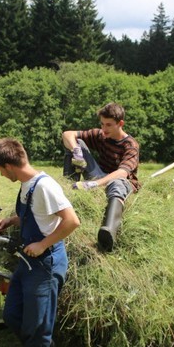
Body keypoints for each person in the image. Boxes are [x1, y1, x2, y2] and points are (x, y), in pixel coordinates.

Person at [0, 138, 80, 347]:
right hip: (28, 263)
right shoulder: (27, 184)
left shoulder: (44, 186)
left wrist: (42, 244)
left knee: (38, 325)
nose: (0, 174)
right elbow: (36, 215)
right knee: (13, 314)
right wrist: (12, 220)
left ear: (9, 165)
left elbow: (72, 220)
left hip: (46, 263)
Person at [61, 102, 141, 251]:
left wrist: (95, 184)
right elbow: (67, 134)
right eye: (102, 124)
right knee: (75, 143)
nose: (104, 129)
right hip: (99, 174)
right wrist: (76, 149)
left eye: (109, 125)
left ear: (120, 123)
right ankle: (68, 190)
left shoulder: (130, 145)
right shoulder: (101, 135)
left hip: (122, 182)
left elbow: (122, 172)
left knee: (117, 183)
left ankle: (109, 230)